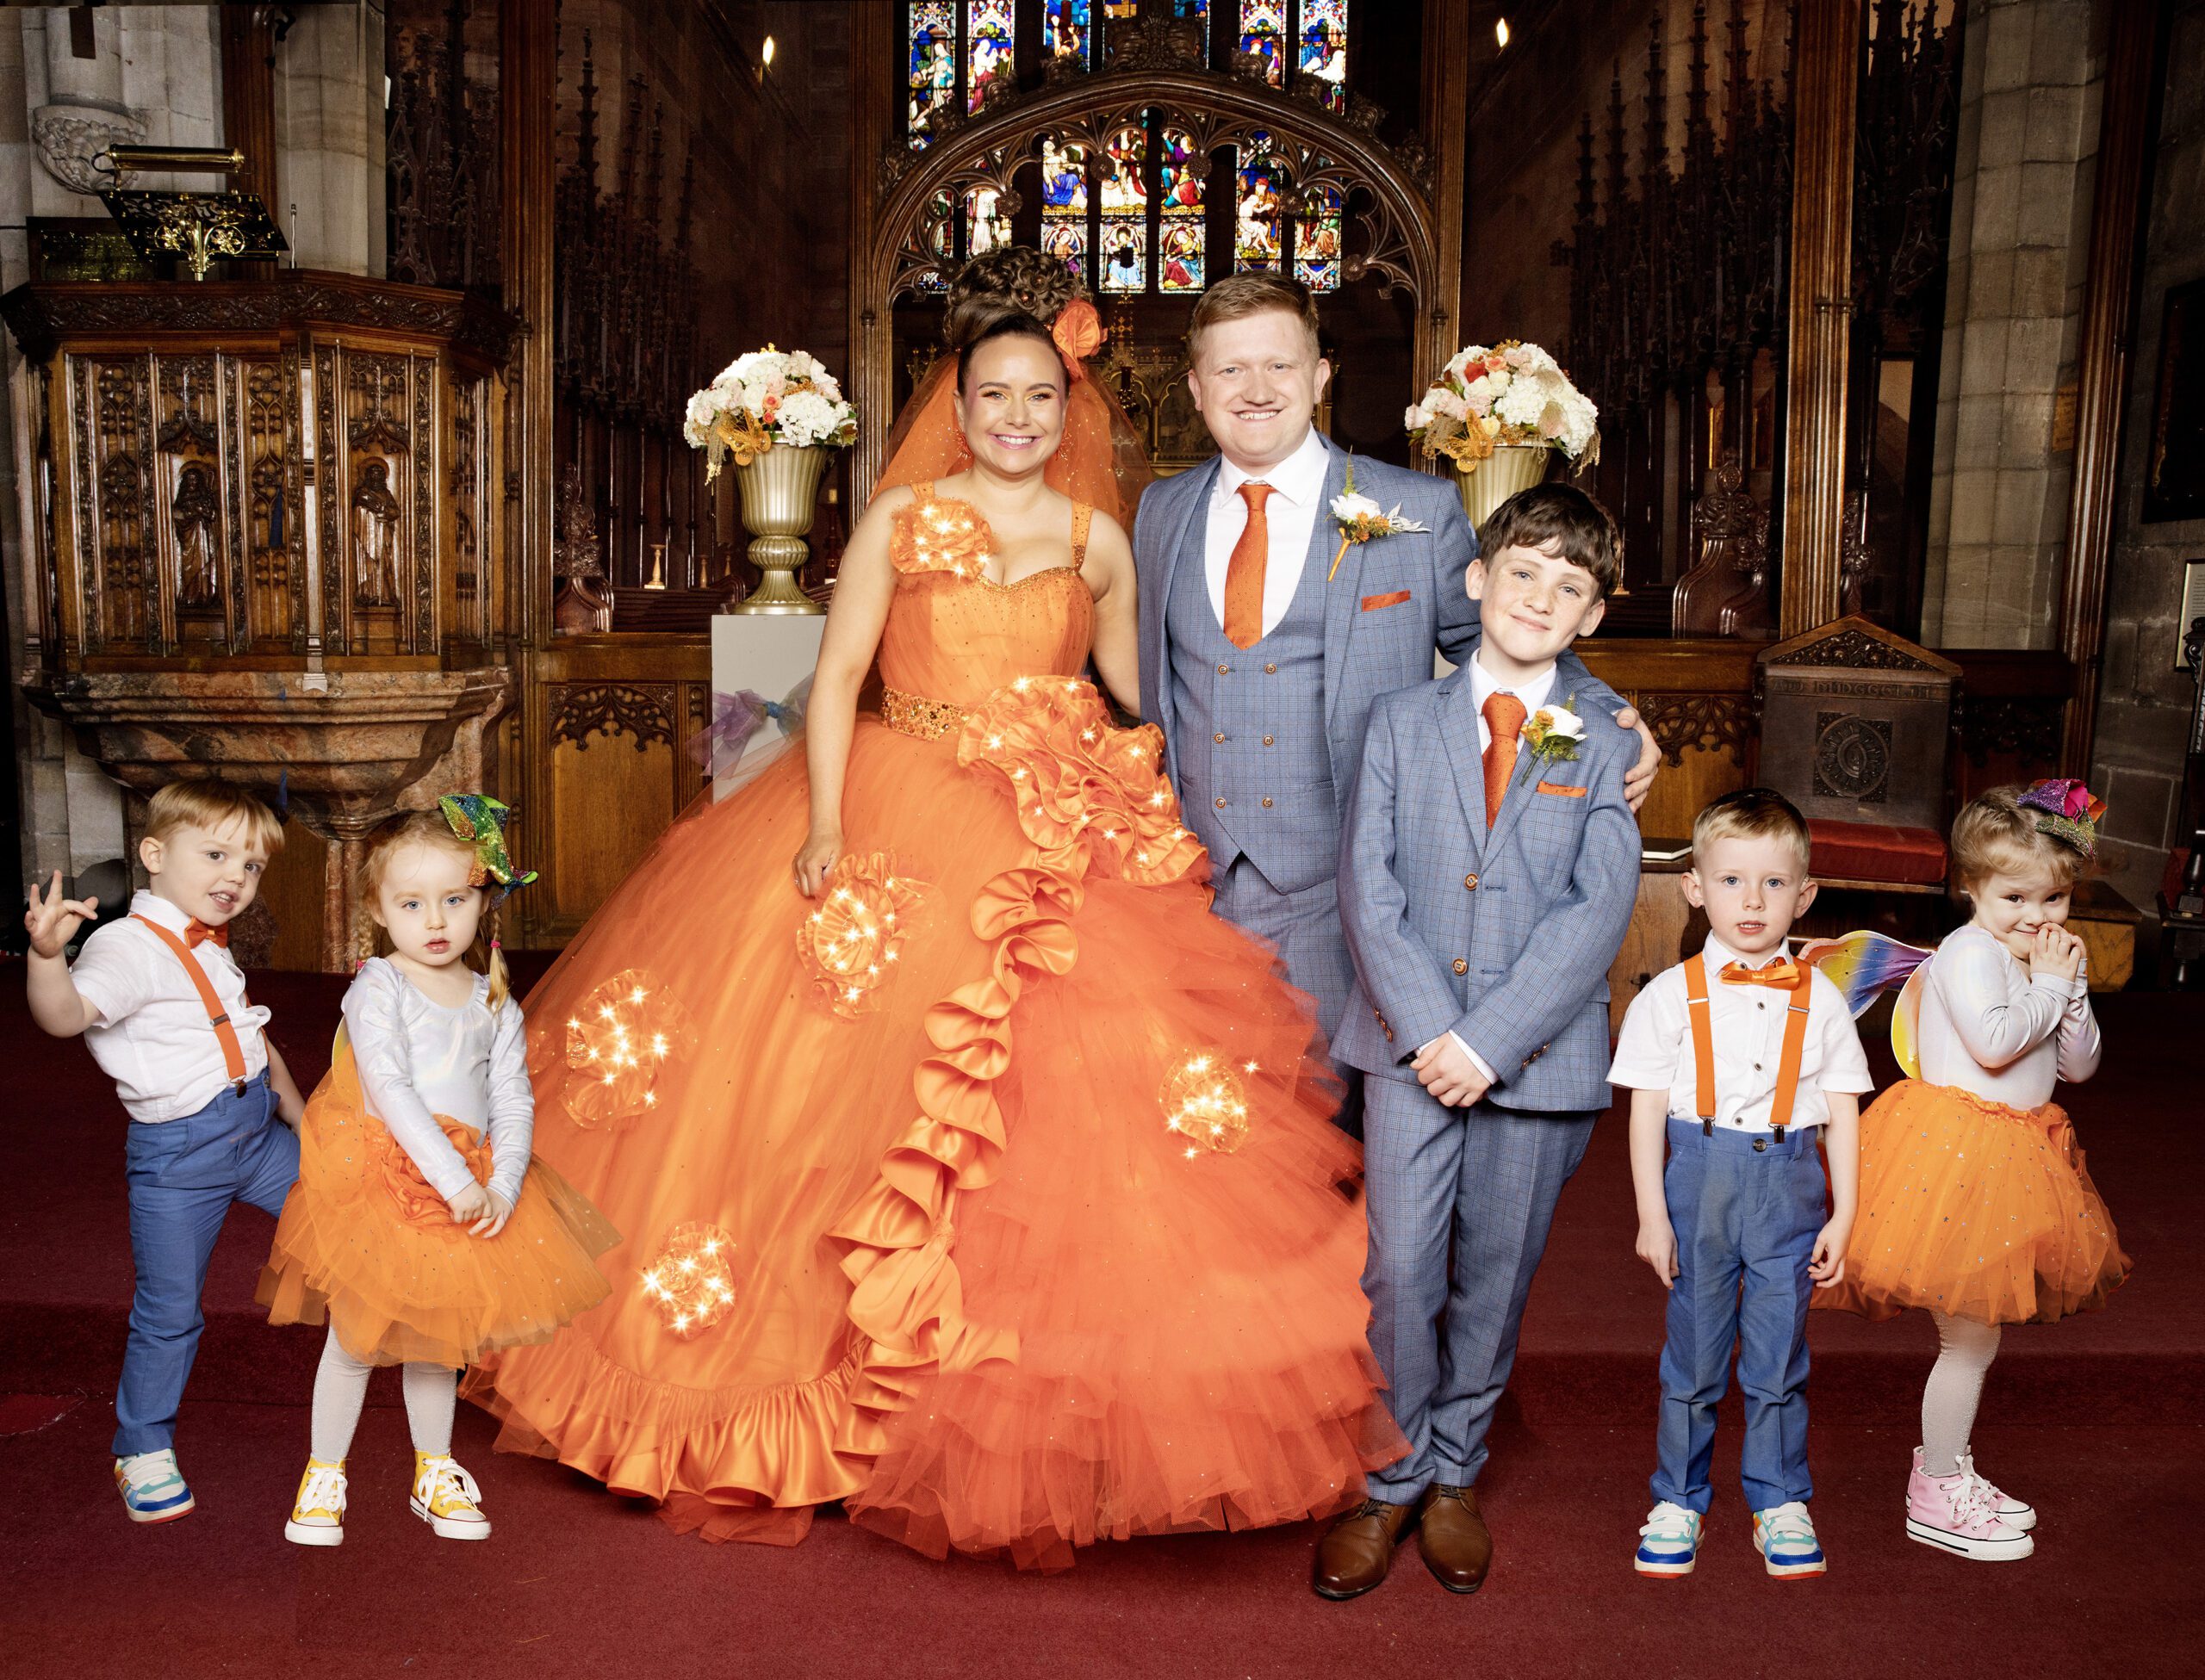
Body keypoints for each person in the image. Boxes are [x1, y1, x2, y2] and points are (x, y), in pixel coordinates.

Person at [461, 271, 1407, 1570]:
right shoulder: (901, 517)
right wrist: (826, 827)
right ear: (956, 407)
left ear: (1065, 407)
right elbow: (839, 672)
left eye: (1038, 396)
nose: (1016, 416)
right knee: (829, 1091)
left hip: (1053, 829)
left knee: (1068, 1105)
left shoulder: (1100, 539)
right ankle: (815, 1389)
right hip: (901, 807)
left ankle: (1031, 1395)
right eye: (992, 396)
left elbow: (1147, 686)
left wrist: (1268, 738)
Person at [1134, 273, 1658, 1101]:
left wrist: (1608, 715)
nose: (1257, 390)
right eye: (1231, 371)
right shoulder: (1160, 512)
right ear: (1196, 387)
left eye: (1281, 365)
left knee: (1340, 1144)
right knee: (1205, 1137)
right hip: (1193, 884)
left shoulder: (1413, 507)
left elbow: (1511, 642)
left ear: (1320, 376)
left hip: (1351, 893)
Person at [1318, 484, 1641, 1600]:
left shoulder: (1603, 742)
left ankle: (1457, 1464)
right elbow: (1370, 887)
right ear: (1476, 579)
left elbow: (1596, 910)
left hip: (1535, 1063)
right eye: (1524, 572)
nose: (1542, 598)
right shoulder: (1402, 723)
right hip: (1410, 1049)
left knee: (1494, 1274)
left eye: (1570, 585)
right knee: (1401, 1266)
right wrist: (1432, 1034)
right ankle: (1392, 1472)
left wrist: (1491, 1042)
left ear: (1592, 616)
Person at [258, 798, 614, 1547]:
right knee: (355, 1339)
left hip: (469, 1185)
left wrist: (503, 1184)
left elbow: (514, 1100)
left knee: (436, 1342)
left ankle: (434, 1468)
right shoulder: (378, 987)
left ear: (481, 900)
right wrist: (452, 1177)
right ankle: (325, 1470)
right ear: (380, 911)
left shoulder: (495, 999)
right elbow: (390, 1087)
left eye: (455, 899)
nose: (436, 920)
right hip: (388, 1177)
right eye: (412, 903)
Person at [1817, 782, 2127, 1562]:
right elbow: (1993, 1044)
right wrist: (2051, 987)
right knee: (1967, 1339)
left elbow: (2080, 1067)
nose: (2038, 914)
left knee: (1976, 1338)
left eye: (2054, 897)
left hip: (2016, 1154)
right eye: (2015, 895)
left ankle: (1949, 1470)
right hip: (1954, 1160)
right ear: (1971, 887)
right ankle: (1936, 1490)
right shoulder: (1968, 951)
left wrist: (2075, 992)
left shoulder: (2042, 954)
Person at [22, 779, 304, 1524]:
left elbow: (250, 1034)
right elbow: (65, 1015)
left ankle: (424, 1343)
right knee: (170, 1309)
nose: (236, 879)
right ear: (154, 853)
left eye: (251, 867)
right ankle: (141, 1448)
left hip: (256, 1131)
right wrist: (48, 955)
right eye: (216, 855)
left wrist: (302, 1118)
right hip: (179, 1158)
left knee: (353, 1203)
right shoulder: (126, 945)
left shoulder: (208, 944)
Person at [1609, 789, 1871, 1579]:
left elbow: (1845, 1112)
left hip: (1789, 1184)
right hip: (1699, 1178)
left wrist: (1845, 1212)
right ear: (1695, 886)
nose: (1751, 901)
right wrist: (1653, 1216)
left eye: (1772, 883)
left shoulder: (1824, 998)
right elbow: (1646, 1112)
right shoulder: (1667, 995)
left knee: (1778, 1354)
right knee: (1692, 1352)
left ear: (1805, 893)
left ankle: (1780, 1498)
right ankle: (1678, 1498)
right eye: (1729, 881)